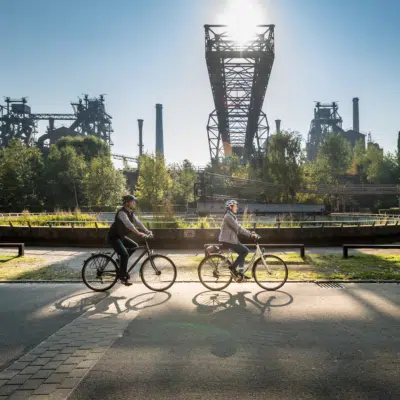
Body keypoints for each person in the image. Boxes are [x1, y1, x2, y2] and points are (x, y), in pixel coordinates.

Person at [108, 195, 152, 286]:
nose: (134, 203)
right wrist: (139, 233)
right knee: (124, 254)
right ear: (127, 203)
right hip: (114, 237)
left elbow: (138, 222)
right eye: (133, 201)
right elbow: (129, 225)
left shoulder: (131, 213)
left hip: (121, 236)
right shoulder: (122, 213)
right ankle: (122, 276)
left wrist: (147, 231)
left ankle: (120, 262)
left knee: (134, 246)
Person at [218, 199, 257, 282]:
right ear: (230, 207)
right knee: (245, 251)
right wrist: (250, 235)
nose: (237, 208)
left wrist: (250, 232)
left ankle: (240, 274)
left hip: (231, 239)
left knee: (243, 252)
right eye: (235, 206)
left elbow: (239, 227)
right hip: (228, 240)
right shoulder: (228, 216)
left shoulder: (231, 216)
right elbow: (238, 228)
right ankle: (233, 268)